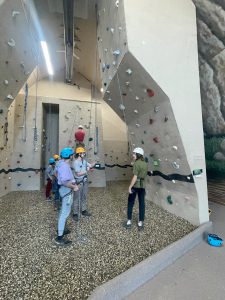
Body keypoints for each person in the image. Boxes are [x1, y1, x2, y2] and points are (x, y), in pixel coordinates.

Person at [55, 147, 79, 246]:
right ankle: (59, 237)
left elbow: (57, 174)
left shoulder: (60, 163)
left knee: (62, 212)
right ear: (69, 156)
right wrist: (74, 187)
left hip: (63, 190)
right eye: (72, 154)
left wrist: (73, 182)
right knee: (64, 213)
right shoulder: (64, 165)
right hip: (67, 191)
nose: (73, 155)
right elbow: (65, 181)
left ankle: (62, 230)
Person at [126, 147, 148, 230]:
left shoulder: (136, 163)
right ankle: (140, 222)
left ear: (138, 155)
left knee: (130, 203)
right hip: (142, 186)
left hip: (135, 186)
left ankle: (129, 221)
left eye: (134, 154)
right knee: (142, 203)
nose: (133, 155)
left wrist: (130, 186)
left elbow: (135, 177)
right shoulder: (145, 163)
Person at [72, 147, 94, 220]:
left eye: (84, 153)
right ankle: (75, 213)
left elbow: (90, 165)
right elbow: (78, 174)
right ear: (79, 154)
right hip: (78, 182)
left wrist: (95, 162)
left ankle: (83, 210)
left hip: (85, 181)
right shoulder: (75, 162)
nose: (84, 154)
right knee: (76, 197)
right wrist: (87, 170)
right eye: (83, 153)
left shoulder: (84, 161)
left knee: (84, 196)